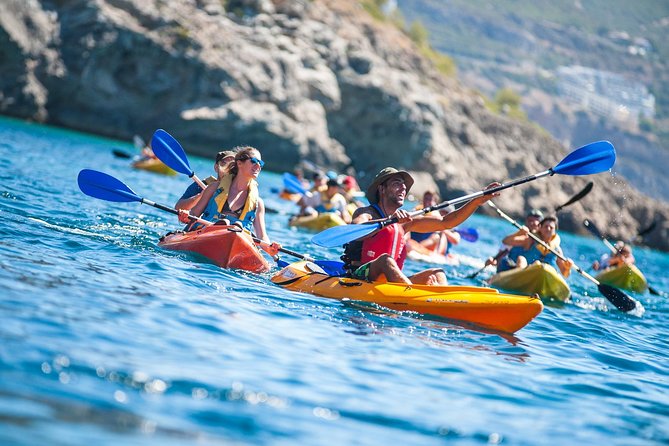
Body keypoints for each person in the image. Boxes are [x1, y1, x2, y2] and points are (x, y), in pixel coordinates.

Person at [341, 167, 500, 285]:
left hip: (391, 283)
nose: (403, 188)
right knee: (386, 261)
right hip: (361, 276)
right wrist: (387, 223)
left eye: (404, 186)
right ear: (382, 189)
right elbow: (355, 230)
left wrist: (478, 200)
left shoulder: (405, 222)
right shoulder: (366, 212)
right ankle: (410, 297)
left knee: (437, 274)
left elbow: (446, 223)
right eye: (397, 183)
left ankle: (442, 303)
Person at [178, 146, 280, 257]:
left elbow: (262, 236)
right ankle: (224, 226)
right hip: (207, 232)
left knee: (237, 227)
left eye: (261, 163)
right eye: (254, 161)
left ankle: (233, 229)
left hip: (238, 240)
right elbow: (194, 215)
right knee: (227, 225)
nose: (258, 166)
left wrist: (270, 248)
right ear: (239, 163)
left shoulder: (258, 203)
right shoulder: (214, 188)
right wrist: (185, 216)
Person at [498, 216, 573, 278]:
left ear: (555, 231)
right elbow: (506, 241)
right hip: (527, 272)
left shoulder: (557, 250)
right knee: (521, 259)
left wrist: (567, 268)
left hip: (545, 276)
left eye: (551, 227)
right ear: (540, 228)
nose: (548, 229)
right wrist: (519, 233)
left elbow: (565, 274)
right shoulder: (530, 240)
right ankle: (519, 279)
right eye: (546, 226)